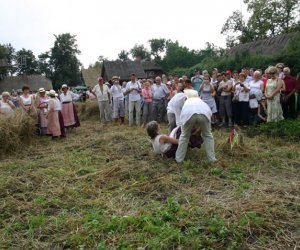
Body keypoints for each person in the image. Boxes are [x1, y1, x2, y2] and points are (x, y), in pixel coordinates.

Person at [175, 89, 216, 163]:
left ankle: (179, 159)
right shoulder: (201, 101)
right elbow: (209, 112)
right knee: (208, 135)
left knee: (184, 136)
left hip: (188, 114)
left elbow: (182, 115)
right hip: (204, 113)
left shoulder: (187, 101)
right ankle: (212, 159)